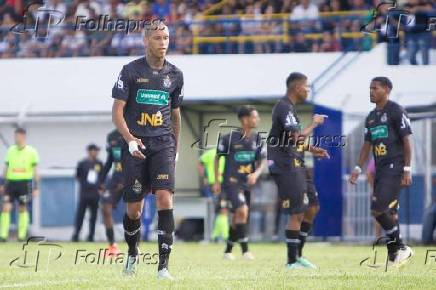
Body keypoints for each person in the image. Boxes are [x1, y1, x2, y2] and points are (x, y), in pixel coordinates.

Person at [111, 21, 183, 279]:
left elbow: (175, 115)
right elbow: (117, 111)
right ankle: (132, 252)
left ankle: (163, 266)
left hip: (163, 144)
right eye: (157, 38)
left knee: (165, 197)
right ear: (146, 41)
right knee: (134, 210)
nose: (163, 42)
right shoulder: (130, 71)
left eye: (166, 38)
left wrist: (175, 147)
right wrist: (129, 139)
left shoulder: (175, 75)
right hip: (136, 145)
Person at [267, 72, 329, 269]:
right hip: (285, 164)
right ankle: (291, 261)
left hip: (297, 161)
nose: (308, 90)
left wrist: (312, 149)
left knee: (312, 206)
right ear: (296, 88)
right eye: (306, 86)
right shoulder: (284, 107)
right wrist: (315, 123)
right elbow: (296, 138)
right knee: (297, 211)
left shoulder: (291, 109)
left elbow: (293, 139)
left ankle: (298, 255)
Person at [349, 76, 413, 266]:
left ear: (387, 90)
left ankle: (401, 246)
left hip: (395, 167)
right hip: (380, 168)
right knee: (390, 213)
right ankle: (395, 257)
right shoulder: (371, 117)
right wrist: (358, 167)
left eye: (375, 88)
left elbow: (406, 141)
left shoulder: (396, 111)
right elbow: (366, 145)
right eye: (370, 88)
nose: (371, 91)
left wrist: (407, 169)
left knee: (377, 210)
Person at [213, 105, 266, 260]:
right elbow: (217, 158)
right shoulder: (228, 138)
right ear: (245, 119)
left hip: (247, 184)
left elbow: (262, 161)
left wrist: (256, 174)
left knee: (239, 216)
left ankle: (228, 250)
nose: (258, 119)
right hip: (231, 182)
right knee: (242, 211)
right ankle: (245, 251)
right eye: (255, 117)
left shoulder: (257, 139)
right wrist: (216, 181)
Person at [0, 128, 39, 242]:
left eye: (17, 136)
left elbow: (35, 170)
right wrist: (3, 183)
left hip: (24, 183)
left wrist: (36, 187)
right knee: (6, 208)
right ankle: (3, 235)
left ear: (23, 136)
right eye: (15, 136)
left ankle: (21, 235)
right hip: (11, 183)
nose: (16, 138)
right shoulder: (11, 150)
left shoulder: (31, 151)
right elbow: (6, 168)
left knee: (23, 208)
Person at [99, 129, 125, 256]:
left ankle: (135, 248)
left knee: (134, 212)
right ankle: (112, 246)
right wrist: (101, 181)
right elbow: (110, 160)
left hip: (133, 177)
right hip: (115, 178)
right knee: (105, 207)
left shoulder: (137, 130)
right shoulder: (112, 136)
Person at [72, 144, 104, 242]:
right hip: (84, 193)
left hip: (95, 194)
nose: (96, 153)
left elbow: (102, 177)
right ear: (89, 151)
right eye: (94, 150)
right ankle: (76, 235)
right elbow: (77, 176)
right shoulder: (82, 163)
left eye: (97, 151)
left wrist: (101, 188)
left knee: (93, 216)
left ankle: (91, 236)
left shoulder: (99, 163)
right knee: (80, 215)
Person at [197, 149, 228, 241]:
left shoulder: (228, 153)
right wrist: (205, 177)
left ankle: (221, 236)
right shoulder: (211, 153)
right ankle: (211, 236)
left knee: (223, 209)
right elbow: (199, 164)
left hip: (224, 186)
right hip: (212, 185)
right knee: (211, 210)